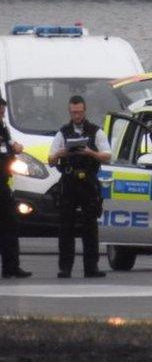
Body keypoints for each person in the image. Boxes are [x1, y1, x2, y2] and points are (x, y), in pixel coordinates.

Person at [48, 95, 111, 279]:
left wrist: (90, 152)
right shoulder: (62, 132)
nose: (77, 116)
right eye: (74, 112)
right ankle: (65, 268)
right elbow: (51, 160)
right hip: (69, 181)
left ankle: (91, 267)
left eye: (80, 112)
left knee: (90, 226)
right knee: (65, 226)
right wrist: (62, 152)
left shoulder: (95, 132)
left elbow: (107, 155)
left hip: (88, 182)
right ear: (70, 111)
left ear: (85, 111)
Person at [0, 97, 30, 279]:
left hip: (3, 184)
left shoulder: (4, 130)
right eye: (0, 112)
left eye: (3, 113)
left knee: (10, 225)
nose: (2, 116)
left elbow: (9, 148)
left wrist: (15, 147)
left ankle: (11, 266)